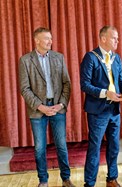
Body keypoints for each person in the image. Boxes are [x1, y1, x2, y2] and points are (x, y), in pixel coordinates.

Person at [80, 25, 122, 187]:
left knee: (114, 146)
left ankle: (111, 178)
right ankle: (89, 183)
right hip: (97, 111)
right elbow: (84, 85)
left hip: (114, 110)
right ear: (103, 38)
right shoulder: (90, 57)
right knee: (95, 147)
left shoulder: (117, 58)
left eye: (117, 38)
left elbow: (120, 81)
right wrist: (106, 93)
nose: (117, 41)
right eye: (114, 38)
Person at [19, 27, 75, 187]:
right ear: (36, 40)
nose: (50, 41)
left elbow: (67, 83)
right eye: (46, 39)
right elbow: (24, 88)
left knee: (62, 145)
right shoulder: (25, 60)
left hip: (58, 107)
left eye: (51, 38)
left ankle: (66, 179)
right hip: (37, 110)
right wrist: (40, 106)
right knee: (39, 148)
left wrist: (62, 104)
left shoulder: (59, 57)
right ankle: (43, 181)